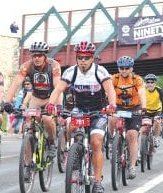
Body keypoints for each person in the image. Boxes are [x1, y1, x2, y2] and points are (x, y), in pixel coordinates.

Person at [46, 41, 116, 193]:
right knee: (70, 125)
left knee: (96, 142)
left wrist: (112, 105)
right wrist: (51, 104)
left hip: (98, 111)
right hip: (80, 109)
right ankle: (74, 153)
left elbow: (110, 91)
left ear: (92, 58)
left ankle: (97, 182)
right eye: (80, 57)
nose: (83, 60)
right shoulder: (71, 72)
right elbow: (58, 89)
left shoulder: (100, 71)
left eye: (86, 57)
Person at [3, 41, 62, 160]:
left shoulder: (53, 65)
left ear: (45, 55)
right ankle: (27, 163)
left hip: (51, 97)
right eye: (34, 55)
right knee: (29, 126)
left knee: (46, 119)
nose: (37, 58)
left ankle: (52, 143)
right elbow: (15, 84)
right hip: (36, 97)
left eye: (40, 55)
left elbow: (58, 87)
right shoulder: (26, 66)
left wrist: (59, 105)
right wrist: (7, 102)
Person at [108, 56, 146, 179]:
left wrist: (143, 107)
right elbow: (107, 91)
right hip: (118, 107)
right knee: (111, 118)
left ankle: (132, 167)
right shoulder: (114, 78)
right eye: (121, 68)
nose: (123, 70)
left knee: (132, 135)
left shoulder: (137, 79)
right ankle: (112, 140)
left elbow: (141, 93)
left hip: (134, 109)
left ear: (131, 69)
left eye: (126, 68)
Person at [143, 73, 163, 147]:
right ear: (145, 83)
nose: (150, 84)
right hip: (147, 110)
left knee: (157, 122)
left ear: (155, 83)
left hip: (157, 110)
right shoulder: (143, 90)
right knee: (143, 127)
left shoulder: (159, 90)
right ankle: (144, 141)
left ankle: (156, 138)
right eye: (148, 82)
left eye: (152, 82)